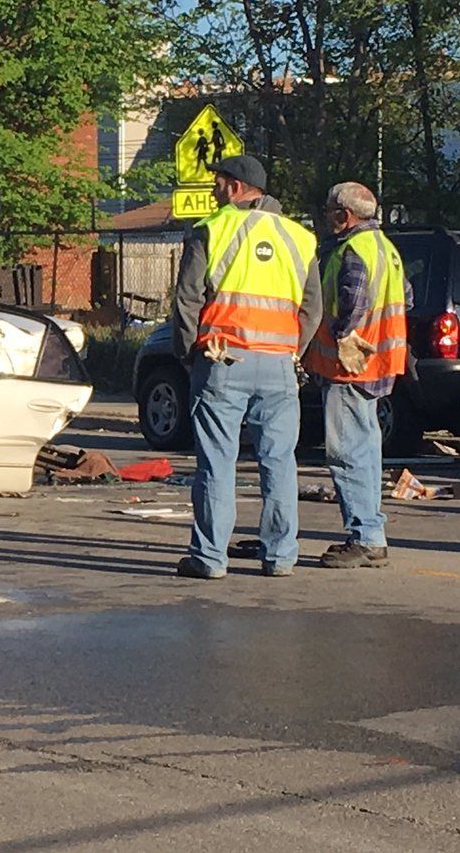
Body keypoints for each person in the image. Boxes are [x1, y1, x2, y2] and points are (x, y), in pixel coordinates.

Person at [171, 155, 322, 578]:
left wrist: (187, 352)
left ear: (236, 187)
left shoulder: (213, 230)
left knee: (217, 462)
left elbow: (187, 300)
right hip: (278, 366)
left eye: (218, 183)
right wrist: (293, 349)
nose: (214, 191)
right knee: (279, 462)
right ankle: (280, 557)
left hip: (223, 361)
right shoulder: (299, 238)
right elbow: (311, 309)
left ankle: (210, 558)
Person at [304, 182, 410, 568]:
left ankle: (365, 536)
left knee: (347, 452)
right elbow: (406, 298)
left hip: (349, 366)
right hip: (378, 365)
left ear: (343, 216)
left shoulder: (353, 251)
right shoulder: (387, 249)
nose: (326, 216)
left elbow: (353, 306)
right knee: (366, 451)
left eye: (330, 210)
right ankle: (371, 534)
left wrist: (339, 336)